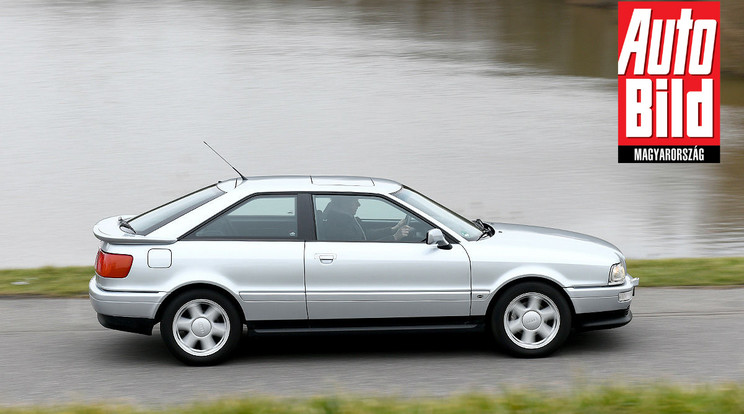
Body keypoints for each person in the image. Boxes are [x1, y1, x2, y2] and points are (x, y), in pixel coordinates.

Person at [321, 197, 412, 241]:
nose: (359, 205)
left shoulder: (346, 219)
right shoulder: (339, 225)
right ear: (344, 204)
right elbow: (362, 247)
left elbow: (365, 234)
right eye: (355, 201)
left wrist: (393, 229)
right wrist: (394, 237)